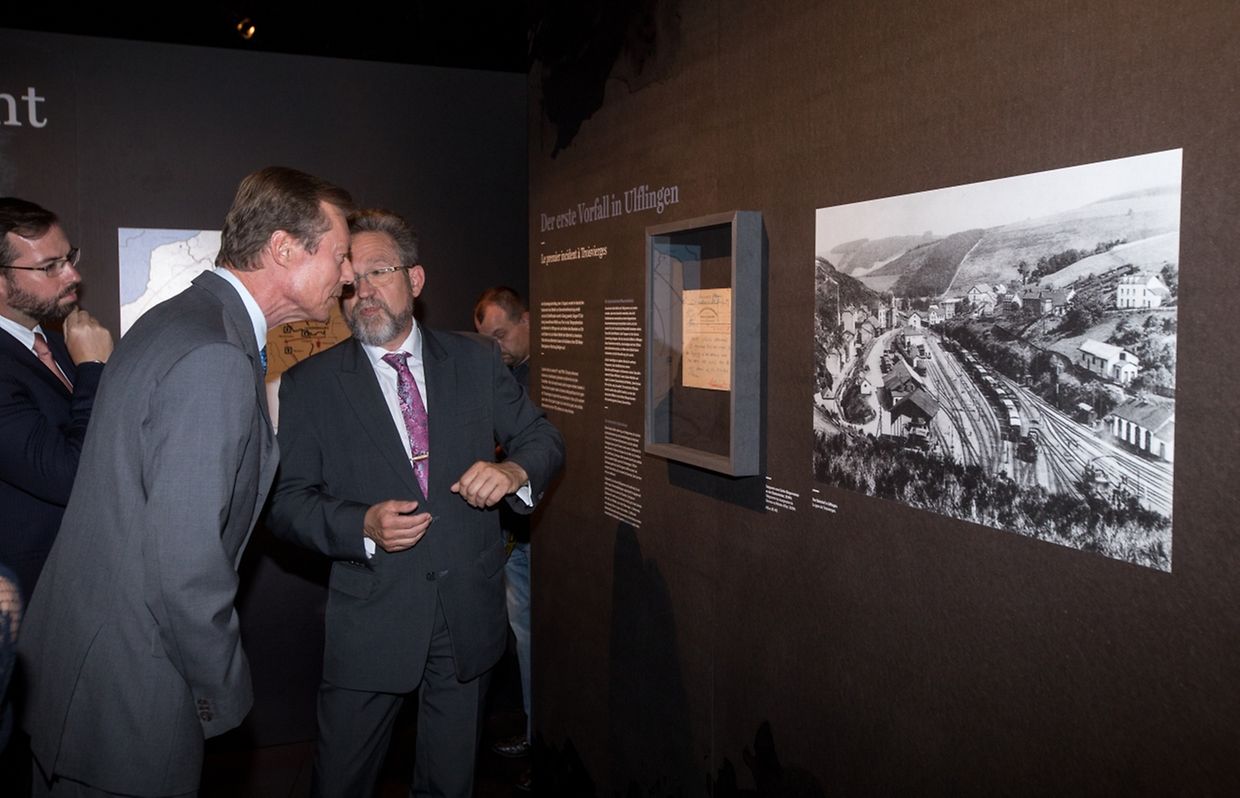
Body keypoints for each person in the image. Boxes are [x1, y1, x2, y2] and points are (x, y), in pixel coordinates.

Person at [19, 167, 355, 797]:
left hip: (86, 675)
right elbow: (185, 564)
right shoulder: (214, 355)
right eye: (339, 256)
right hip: (132, 691)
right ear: (284, 248)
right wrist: (223, 691)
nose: (348, 276)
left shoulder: (183, 317)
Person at [268, 209, 563, 798]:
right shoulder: (310, 386)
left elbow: (543, 438)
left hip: (466, 616)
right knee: (340, 783)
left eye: (379, 272)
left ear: (416, 279)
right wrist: (362, 524)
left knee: (450, 784)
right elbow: (286, 503)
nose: (364, 293)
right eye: (351, 281)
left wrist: (512, 470)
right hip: (370, 622)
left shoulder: (477, 360)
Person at [0, 198, 113, 606]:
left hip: (82, 586)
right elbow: (70, 476)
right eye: (50, 267)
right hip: (28, 603)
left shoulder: (58, 342)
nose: (73, 275)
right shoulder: (79, 352)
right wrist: (94, 367)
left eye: (69, 258)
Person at [473, 287, 535, 776]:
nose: (496, 348)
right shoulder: (506, 376)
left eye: (501, 334)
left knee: (530, 635)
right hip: (513, 533)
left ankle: (538, 735)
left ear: (527, 320)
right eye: (486, 340)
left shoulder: (544, 375)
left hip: (534, 533)